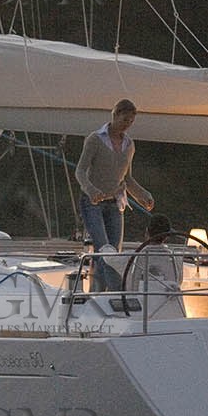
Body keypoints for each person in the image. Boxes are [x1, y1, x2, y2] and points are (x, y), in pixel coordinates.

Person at [76, 99, 154, 292]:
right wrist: (92, 191)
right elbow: (80, 171)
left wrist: (143, 195)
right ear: (115, 115)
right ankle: (119, 293)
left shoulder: (129, 145)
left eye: (131, 122)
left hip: (115, 204)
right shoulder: (95, 139)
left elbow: (126, 178)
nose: (127, 124)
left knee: (114, 254)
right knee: (105, 252)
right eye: (125, 119)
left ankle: (97, 295)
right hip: (92, 202)